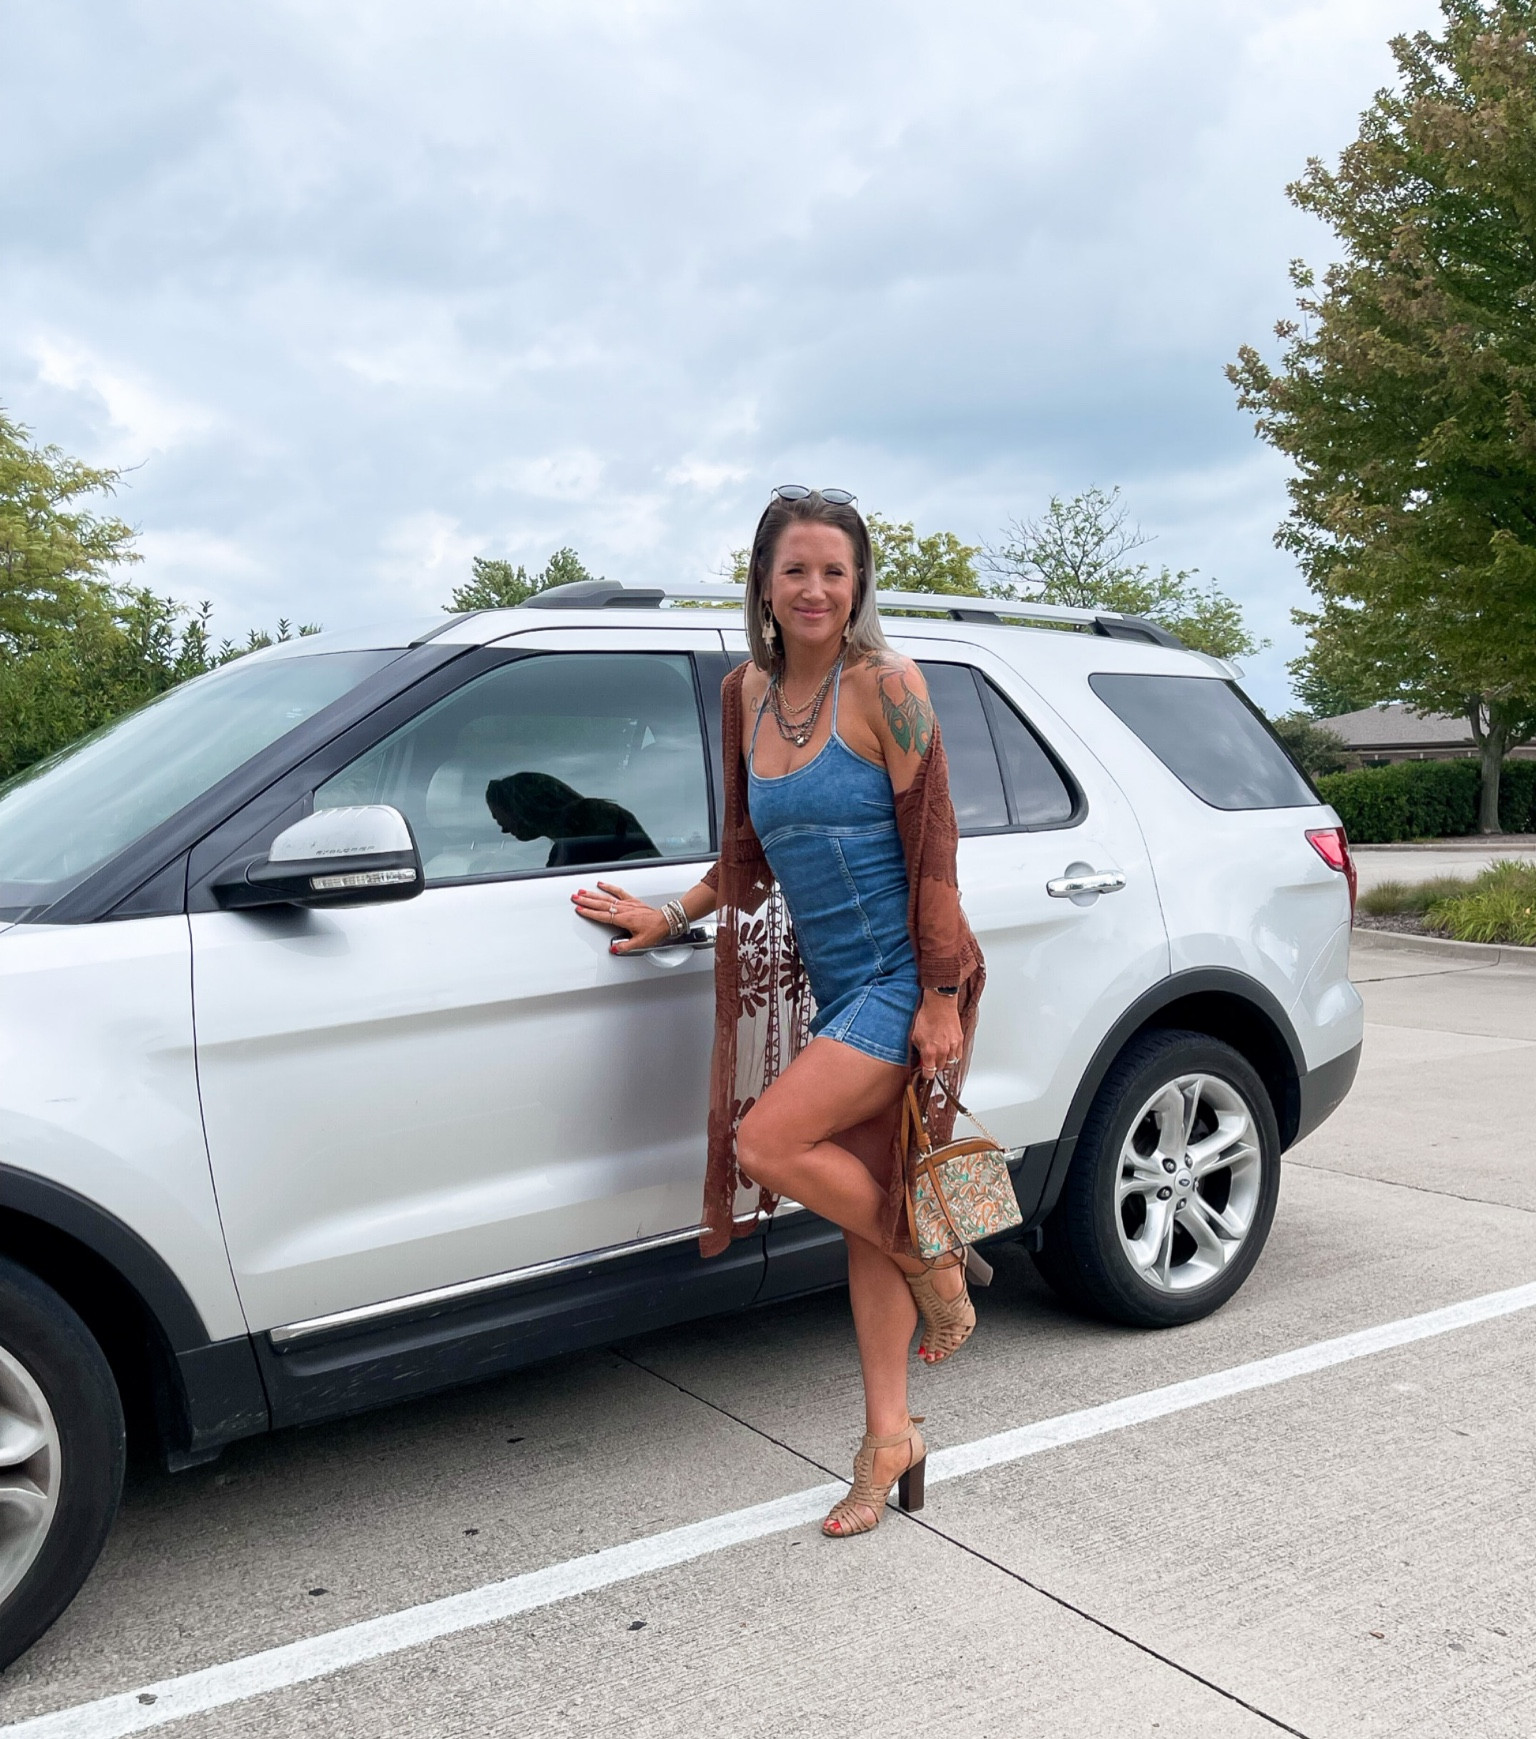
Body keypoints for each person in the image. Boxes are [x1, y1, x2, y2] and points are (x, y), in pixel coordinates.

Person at [573, 486, 984, 1537]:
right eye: (794, 568)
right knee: (866, 1204)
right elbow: (746, 854)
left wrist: (938, 996)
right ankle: (889, 1434)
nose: (814, 589)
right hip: (838, 983)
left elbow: (936, 839)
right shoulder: (742, 694)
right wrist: (672, 913)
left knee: (769, 1140)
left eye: (834, 571)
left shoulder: (888, 685)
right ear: (763, 580)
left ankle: (940, 1259)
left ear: (859, 585)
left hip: (907, 979)